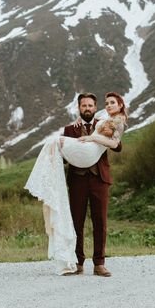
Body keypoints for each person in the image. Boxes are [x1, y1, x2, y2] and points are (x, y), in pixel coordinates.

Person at [24, 92, 126, 276]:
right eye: (84, 106)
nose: (87, 108)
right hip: (77, 180)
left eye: (90, 106)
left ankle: (99, 263)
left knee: (100, 221)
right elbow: (65, 154)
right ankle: (78, 262)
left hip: (99, 179)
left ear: (95, 108)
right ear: (79, 108)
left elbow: (117, 146)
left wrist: (94, 138)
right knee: (76, 222)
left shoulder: (104, 123)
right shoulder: (70, 128)